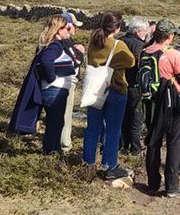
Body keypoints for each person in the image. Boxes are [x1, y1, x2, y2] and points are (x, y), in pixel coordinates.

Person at [83, 11, 136, 180]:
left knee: (92, 128)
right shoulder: (117, 45)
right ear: (118, 28)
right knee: (113, 130)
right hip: (115, 89)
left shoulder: (94, 42)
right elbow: (131, 61)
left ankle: (88, 162)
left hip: (95, 90)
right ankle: (110, 165)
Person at [142, 19, 180, 197]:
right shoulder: (174, 54)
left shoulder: (145, 52)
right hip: (172, 103)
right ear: (169, 36)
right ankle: (171, 185)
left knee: (153, 142)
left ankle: (153, 183)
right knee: (174, 143)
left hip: (152, 104)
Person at [33, 15, 75, 154]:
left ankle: (50, 151)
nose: (68, 31)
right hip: (54, 90)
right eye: (66, 28)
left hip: (50, 89)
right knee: (55, 124)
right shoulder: (56, 45)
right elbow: (46, 61)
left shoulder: (47, 44)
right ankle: (50, 153)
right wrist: (52, 78)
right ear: (58, 30)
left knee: (53, 123)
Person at [119, 15, 150, 156]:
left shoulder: (119, 41)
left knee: (123, 117)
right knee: (136, 119)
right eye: (146, 31)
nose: (147, 34)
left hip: (119, 83)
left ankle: (123, 146)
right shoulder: (139, 46)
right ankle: (135, 149)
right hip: (135, 85)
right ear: (138, 31)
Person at [59, 13, 85, 154]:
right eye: (74, 26)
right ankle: (65, 144)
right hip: (66, 82)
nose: (76, 29)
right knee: (66, 113)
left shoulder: (65, 41)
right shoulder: (64, 42)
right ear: (68, 26)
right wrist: (79, 52)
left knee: (64, 113)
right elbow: (74, 61)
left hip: (65, 82)